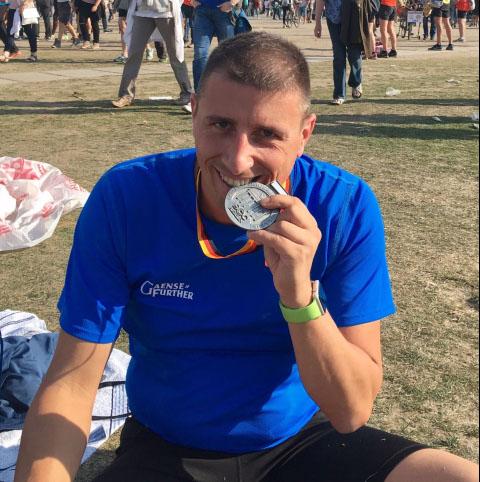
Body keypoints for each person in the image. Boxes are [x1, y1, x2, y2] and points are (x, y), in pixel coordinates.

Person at [14, 31, 479, 482]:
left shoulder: (343, 204)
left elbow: (351, 411)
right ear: (194, 112)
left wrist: (300, 298)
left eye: (267, 135)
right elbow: (71, 383)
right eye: (220, 125)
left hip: (300, 440)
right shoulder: (128, 197)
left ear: (305, 134)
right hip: (168, 445)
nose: (238, 160)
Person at [111, 0, 193, 111]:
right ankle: (126, 95)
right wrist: (123, 10)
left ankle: (187, 94)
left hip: (166, 12)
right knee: (133, 54)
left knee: (176, 55)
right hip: (142, 12)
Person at [314, 0, 371, 104]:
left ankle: (356, 81)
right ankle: (339, 94)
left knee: (354, 54)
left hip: (352, 16)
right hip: (334, 19)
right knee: (339, 56)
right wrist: (318, 22)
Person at [190, 0, 240, 92]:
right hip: (202, 9)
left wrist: (232, 2)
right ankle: (200, 94)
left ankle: (228, 92)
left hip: (225, 10)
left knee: (228, 54)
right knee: (200, 53)